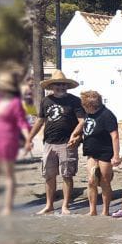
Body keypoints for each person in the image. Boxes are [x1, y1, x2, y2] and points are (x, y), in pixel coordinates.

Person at [24, 70, 84, 215]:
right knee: (49, 175)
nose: (61, 87)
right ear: (52, 86)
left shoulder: (74, 101)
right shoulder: (46, 101)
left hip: (67, 143)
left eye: (63, 84)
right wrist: (29, 138)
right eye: (57, 84)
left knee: (67, 175)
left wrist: (75, 135)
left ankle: (65, 206)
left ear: (67, 86)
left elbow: (82, 121)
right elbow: (40, 121)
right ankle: (49, 205)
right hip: (49, 143)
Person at [0, 71, 32, 216]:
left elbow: (22, 122)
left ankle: (7, 207)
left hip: (8, 140)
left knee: (8, 174)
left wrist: (28, 139)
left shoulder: (16, 103)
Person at [74, 89, 119, 217]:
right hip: (91, 152)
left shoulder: (107, 115)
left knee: (105, 181)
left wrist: (116, 156)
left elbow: (115, 136)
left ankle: (105, 211)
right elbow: (89, 130)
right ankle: (92, 210)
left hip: (105, 152)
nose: (83, 107)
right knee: (91, 181)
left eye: (84, 105)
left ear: (90, 105)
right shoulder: (89, 114)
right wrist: (77, 138)